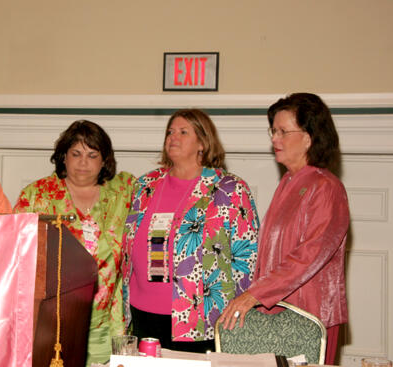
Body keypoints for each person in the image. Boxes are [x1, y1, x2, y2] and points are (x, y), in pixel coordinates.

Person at [219, 93, 349, 365]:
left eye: (283, 131)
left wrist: (254, 295)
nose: (274, 139)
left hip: (311, 317)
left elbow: (310, 254)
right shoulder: (289, 182)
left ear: (309, 137)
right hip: (277, 314)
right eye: (273, 131)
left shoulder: (326, 187)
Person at [122, 109, 259, 353]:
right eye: (170, 132)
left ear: (203, 143)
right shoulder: (145, 185)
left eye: (183, 132)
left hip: (199, 317)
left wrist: (241, 307)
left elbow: (247, 254)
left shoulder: (228, 189)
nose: (173, 137)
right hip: (142, 310)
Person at [13, 120, 134, 366]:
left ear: (104, 160)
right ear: (63, 157)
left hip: (108, 323)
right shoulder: (37, 194)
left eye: (92, 155)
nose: (83, 163)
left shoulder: (124, 191)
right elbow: (16, 253)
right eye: (76, 154)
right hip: (53, 325)